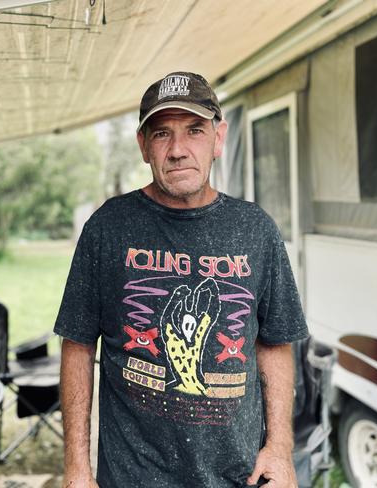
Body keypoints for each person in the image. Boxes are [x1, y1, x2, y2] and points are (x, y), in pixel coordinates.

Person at [54, 71, 308, 488]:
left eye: (194, 130)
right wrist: (77, 469)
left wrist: (279, 448)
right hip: (133, 476)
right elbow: (77, 345)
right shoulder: (108, 227)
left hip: (236, 475)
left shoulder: (255, 230)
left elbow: (275, 342)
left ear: (218, 138)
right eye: (161, 134)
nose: (177, 150)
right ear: (143, 146)